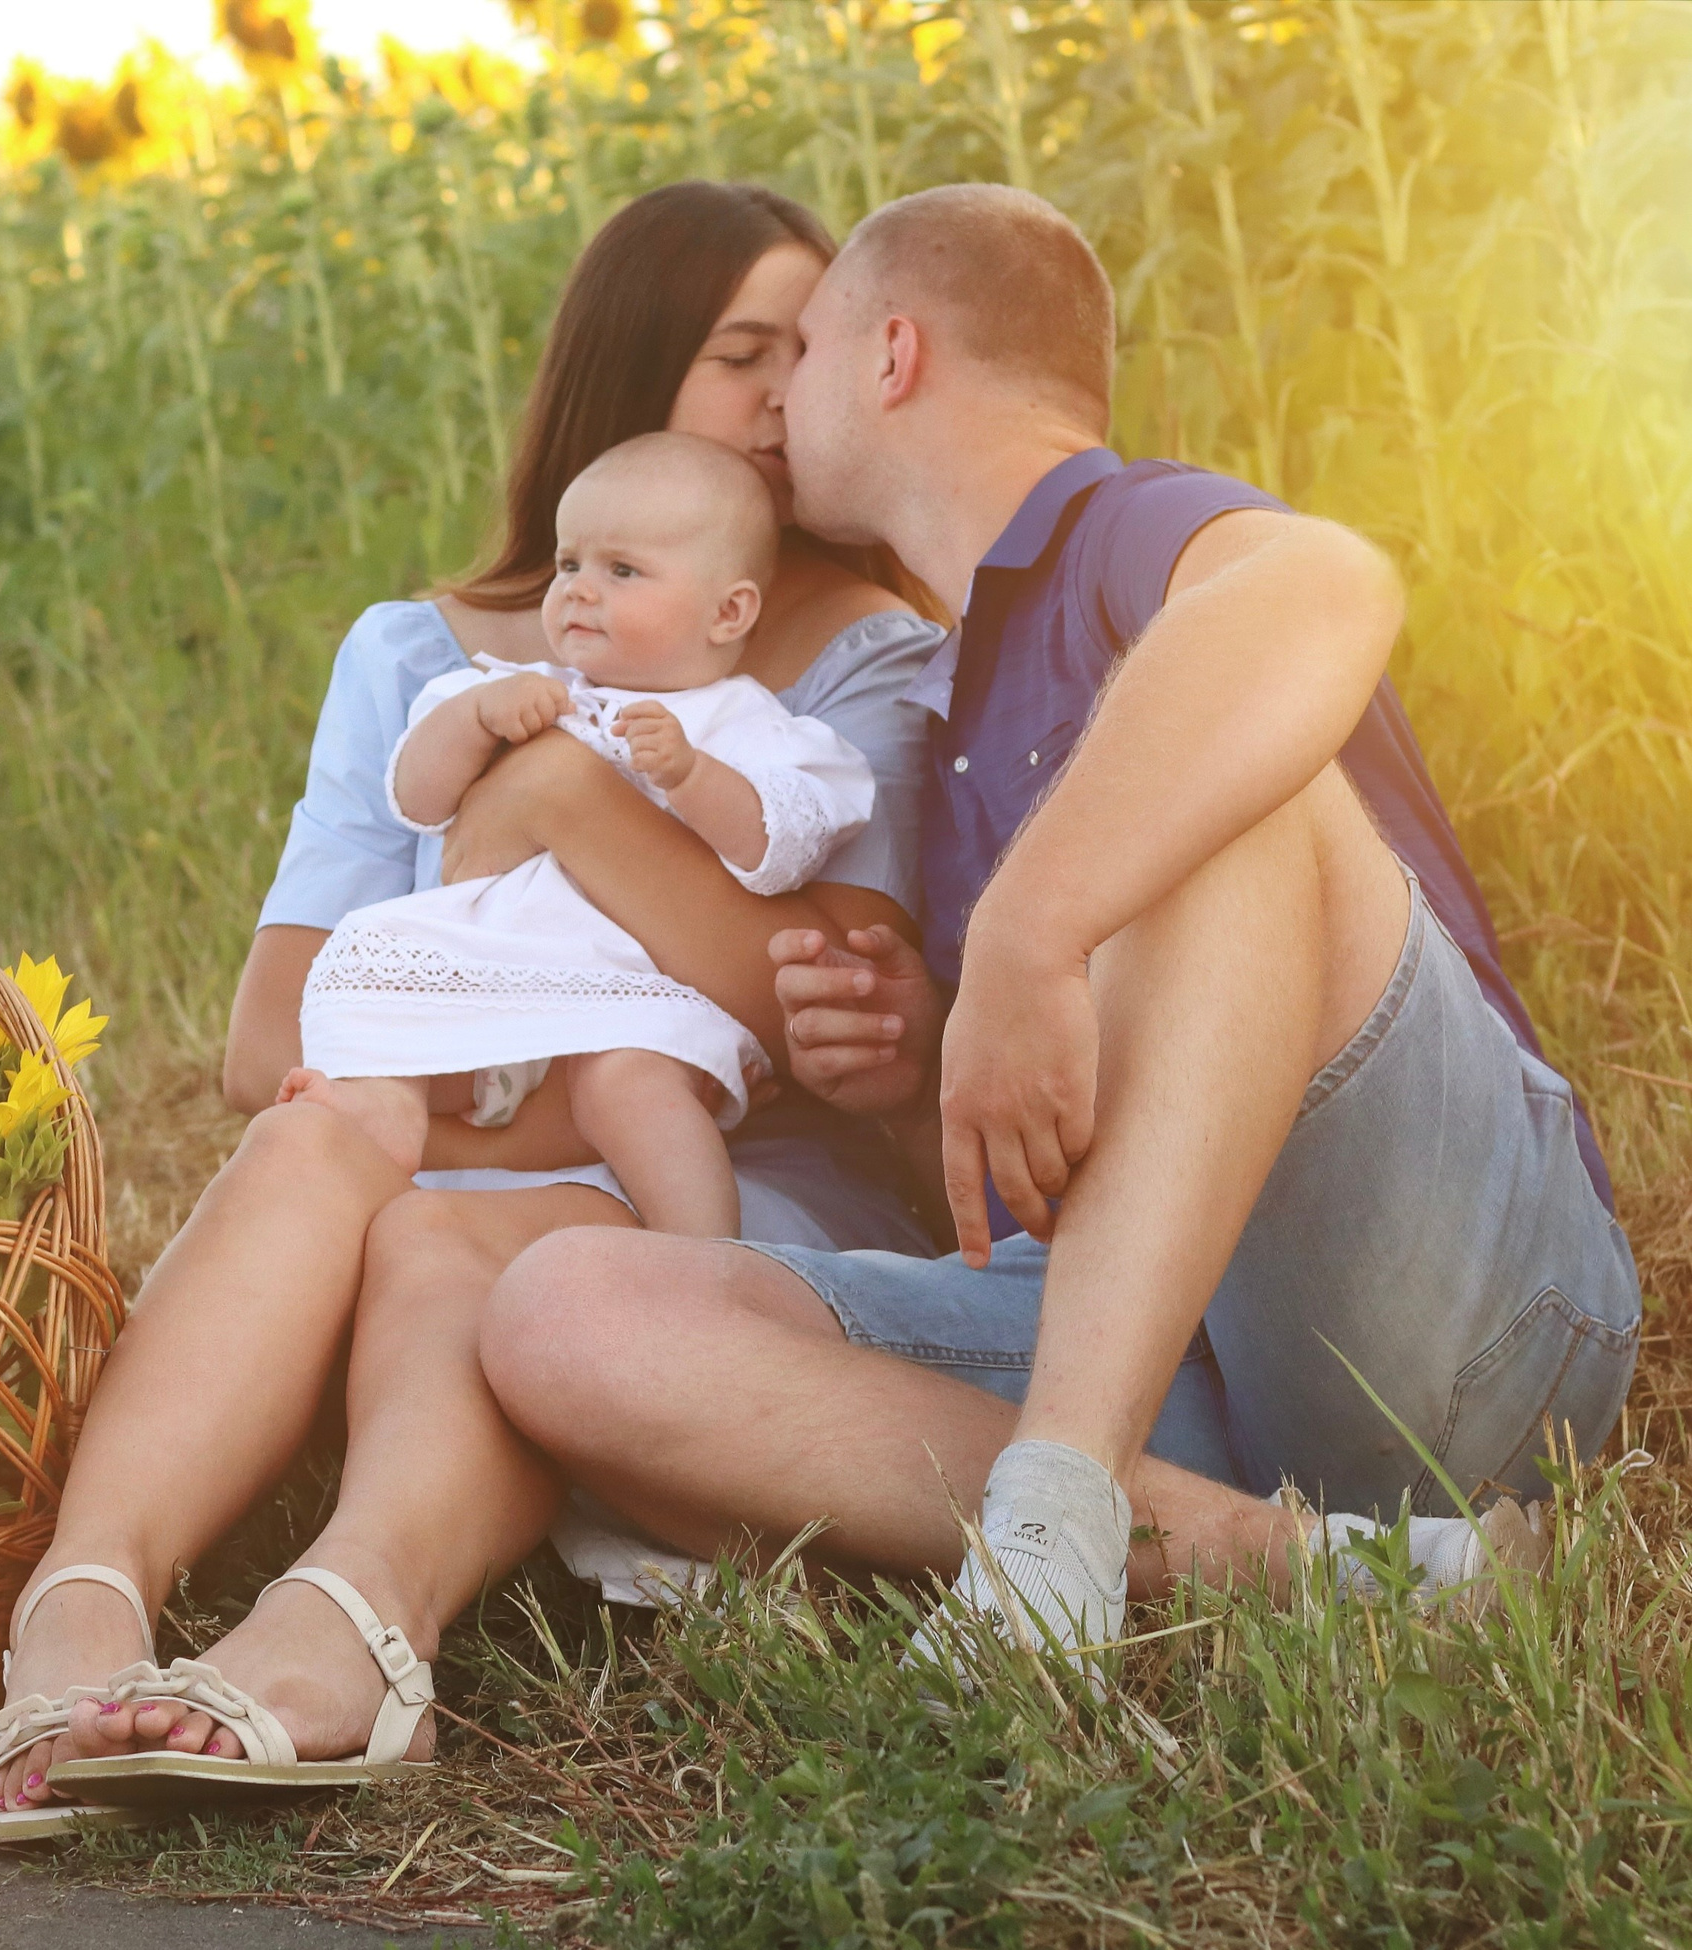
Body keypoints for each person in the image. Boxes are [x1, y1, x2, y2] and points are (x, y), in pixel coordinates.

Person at [480, 184, 1640, 1671]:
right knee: (563, 1315)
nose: (775, 407)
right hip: (1200, 1364)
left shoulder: (1118, 526)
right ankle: (1300, 1567)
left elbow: (1328, 582)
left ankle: (1053, 1515)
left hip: (1452, 1307)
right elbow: (1091, 1157)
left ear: (892, 354)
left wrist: (1030, 926)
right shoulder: (953, 691)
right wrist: (907, 1074)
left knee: (1226, 807)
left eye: (808, 352)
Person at [0, 182, 952, 1832]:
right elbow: (267, 1037)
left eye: (816, 349)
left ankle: (350, 1621)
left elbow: (830, 1038)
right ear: (636, 375)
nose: (793, 396)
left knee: (454, 1220)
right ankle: (80, 1605)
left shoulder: (865, 662)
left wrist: (563, 804)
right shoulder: (422, 656)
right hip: (431, 1103)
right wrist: (485, 1049)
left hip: (706, 1167)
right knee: (315, 1135)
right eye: (742, 356)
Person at [285, 432, 881, 1238]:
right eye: (568, 565)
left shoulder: (752, 728)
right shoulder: (510, 685)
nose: (579, 592)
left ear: (729, 610)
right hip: (497, 970)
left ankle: (700, 1254)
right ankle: (374, 1147)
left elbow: (780, 850)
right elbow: (416, 797)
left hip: (642, 995)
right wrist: (474, 720)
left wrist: (693, 778)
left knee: (627, 1089)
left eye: (621, 571)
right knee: (388, 1041)